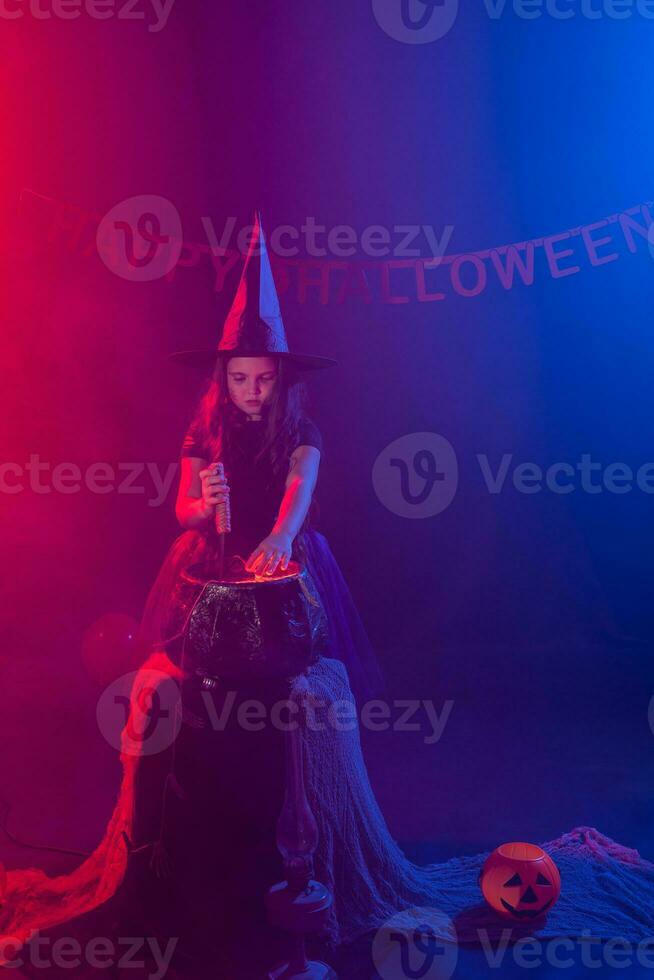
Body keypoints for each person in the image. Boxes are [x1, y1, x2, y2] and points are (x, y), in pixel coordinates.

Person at [3, 214, 654, 977]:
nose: (250, 392)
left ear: (282, 381)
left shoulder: (302, 438)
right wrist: (201, 504)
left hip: (279, 570)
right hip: (206, 567)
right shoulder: (201, 439)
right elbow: (179, 506)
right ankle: (171, 856)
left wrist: (277, 538)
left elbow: (296, 500)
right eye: (238, 379)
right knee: (180, 676)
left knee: (295, 673)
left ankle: (307, 863)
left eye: (263, 380)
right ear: (223, 380)